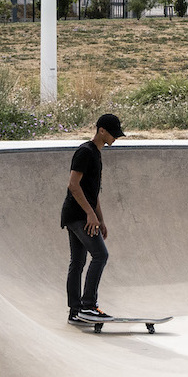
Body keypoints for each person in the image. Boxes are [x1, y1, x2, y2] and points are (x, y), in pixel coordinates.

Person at [61, 113, 124, 323]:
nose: (115, 138)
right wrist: (89, 214)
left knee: (78, 262)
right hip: (77, 214)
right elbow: (73, 184)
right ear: (101, 130)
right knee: (100, 255)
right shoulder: (85, 152)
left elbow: (93, 191)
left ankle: (75, 312)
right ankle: (88, 306)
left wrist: (101, 219)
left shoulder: (97, 154)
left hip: (79, 213)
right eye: (113, 134)